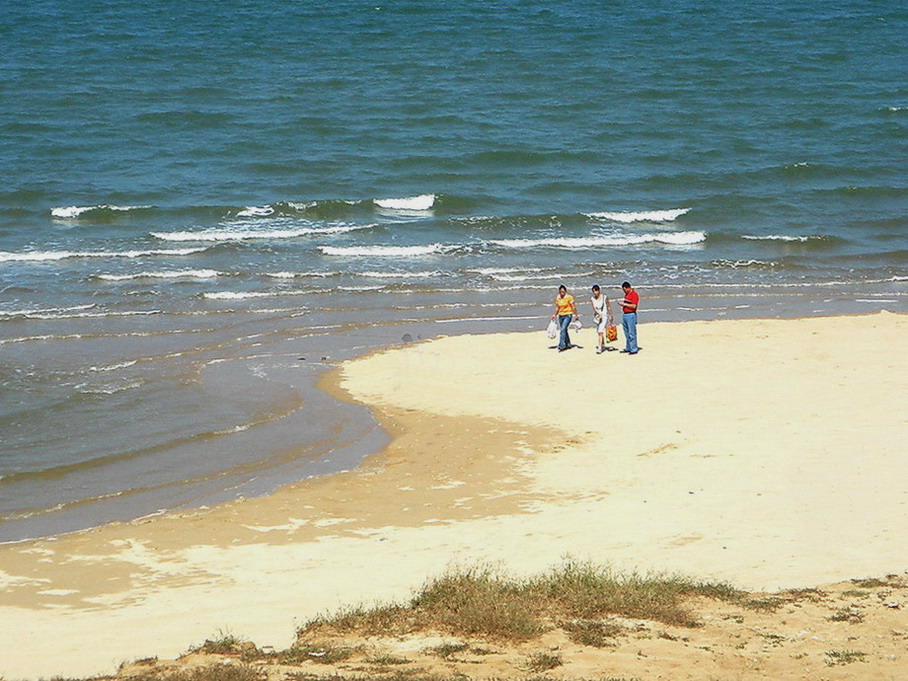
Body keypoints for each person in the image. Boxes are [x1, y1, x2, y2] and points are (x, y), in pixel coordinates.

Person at [551, 284, 578, 352]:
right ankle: (568, 344)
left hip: (568, 315)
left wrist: (576, 315)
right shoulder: (558, 298)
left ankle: (562, 345)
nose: (562, 293)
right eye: (560, 292)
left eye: (563, 292)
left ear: (565, 291)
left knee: (562, 329)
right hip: (561, 315)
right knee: (564, 330)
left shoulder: (569, 297)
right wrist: (555, 315)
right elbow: (557, 307)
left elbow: (573, 306)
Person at [590, 284, 613, 354]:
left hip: (604, 316)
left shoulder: (604, 297)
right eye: (593, 291)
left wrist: (611, 315)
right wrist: (598, 314)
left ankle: (599, 347)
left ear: (599, 290)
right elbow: (593, 308)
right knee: (599, 331)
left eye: (596, 291)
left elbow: (608, 306)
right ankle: (602, 344)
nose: (595, 292)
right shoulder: (592, 299)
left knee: (600, 331)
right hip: (597, 316)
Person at [619, 281, 639, 354]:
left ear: (627, 288)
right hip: (625, 314)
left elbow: (634, 306)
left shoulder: (634, 295)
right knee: (626, 332)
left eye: (624, 290)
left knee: (631, 332)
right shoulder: (627, 295)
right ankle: (628, 347)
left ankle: (634, 348)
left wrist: (624, 304)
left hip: (631, 314)